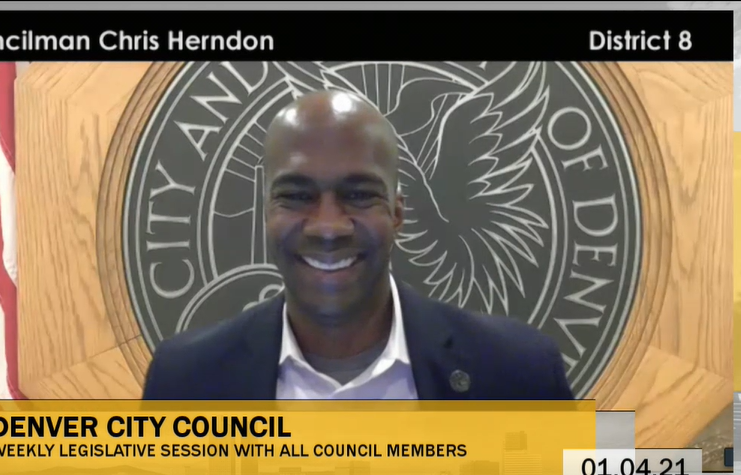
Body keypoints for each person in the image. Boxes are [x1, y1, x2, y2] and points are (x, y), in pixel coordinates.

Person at [142, 90, 574, 401]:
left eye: (359, 194)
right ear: (266, 213)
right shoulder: (183, 383)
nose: (328, 226)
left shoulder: (521, 371)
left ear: (397, 213)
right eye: (297, 195)